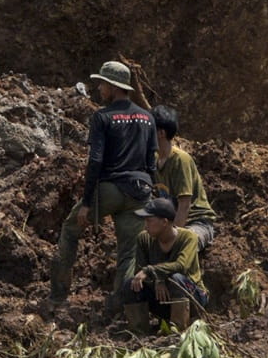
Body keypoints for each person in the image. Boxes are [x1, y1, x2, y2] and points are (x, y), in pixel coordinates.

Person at [49, 61, 157, 313]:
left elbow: (95, 160)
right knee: (129, 253)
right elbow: (151, 161)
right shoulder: (148, 118)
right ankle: (119, 307)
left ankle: (57, 296)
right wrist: (154, 195)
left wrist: (87, 202)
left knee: (69, 230)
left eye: (102, 83)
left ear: (112, 86)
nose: (99, 88)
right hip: (141, 191)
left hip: (110, 188)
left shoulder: (102, 117)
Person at [124, 196, 209, 333]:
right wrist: (158, 280)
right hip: (163, 298)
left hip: (192, 296)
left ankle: (178, 330)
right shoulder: (144, 238)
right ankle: (139, 333)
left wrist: (153, 272)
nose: (146, 225)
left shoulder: (188, 238)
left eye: (149, 220)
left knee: (176, 279)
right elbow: (140, 271)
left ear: (164, 222)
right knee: (132, 285)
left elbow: (182, 266)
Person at [151, 105, 218, 253]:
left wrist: (171, 237)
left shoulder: (181, 160)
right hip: (171, 223)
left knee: (182, 246)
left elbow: (185, 205)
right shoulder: (155, 160)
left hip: (197, 223)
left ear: (161, 133)